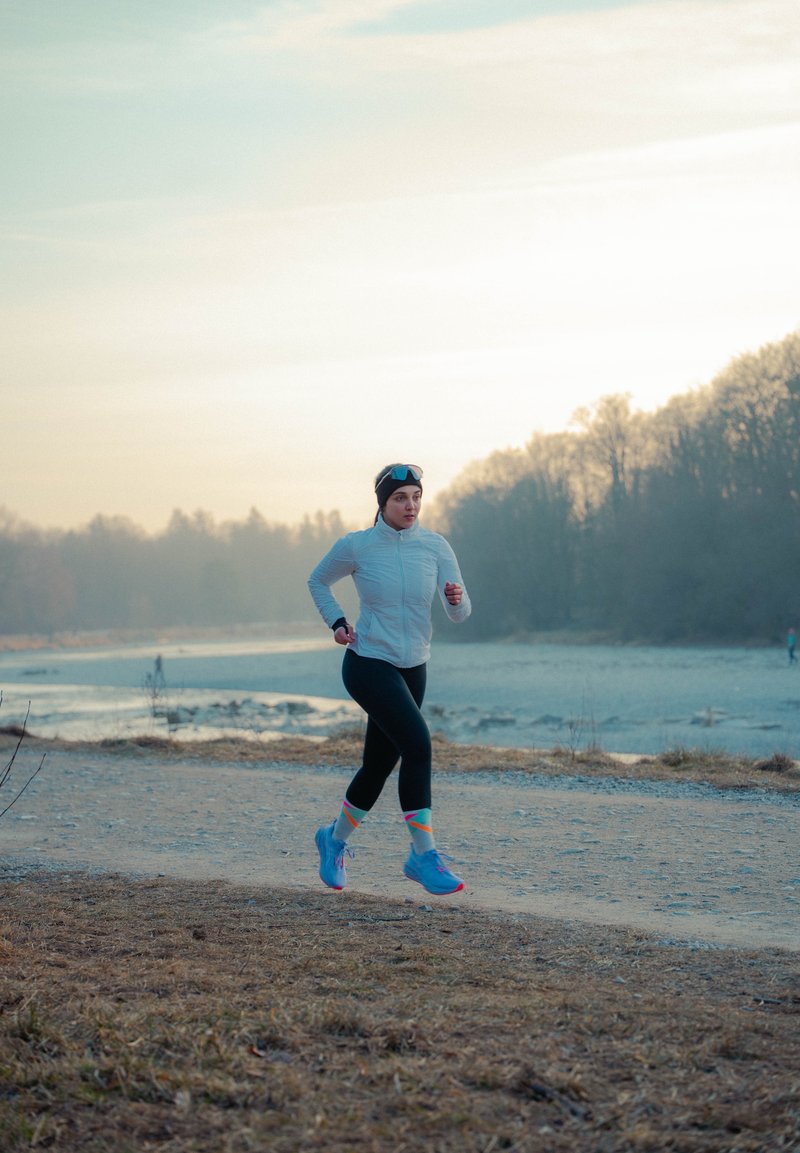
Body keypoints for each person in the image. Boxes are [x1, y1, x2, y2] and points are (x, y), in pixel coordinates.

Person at [307, 463, 472, 896]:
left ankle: (333, 839)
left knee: (378, 766)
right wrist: (337, 622)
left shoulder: (436, 547)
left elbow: (460, 612)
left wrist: (456, 599)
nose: (411, 505)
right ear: (383, 502)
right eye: (401, 498)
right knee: (418, 745)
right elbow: (318, 581)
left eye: (416, 496)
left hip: (414, 666)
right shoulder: (358, 546)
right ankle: (423, 854)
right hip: (368, 661)